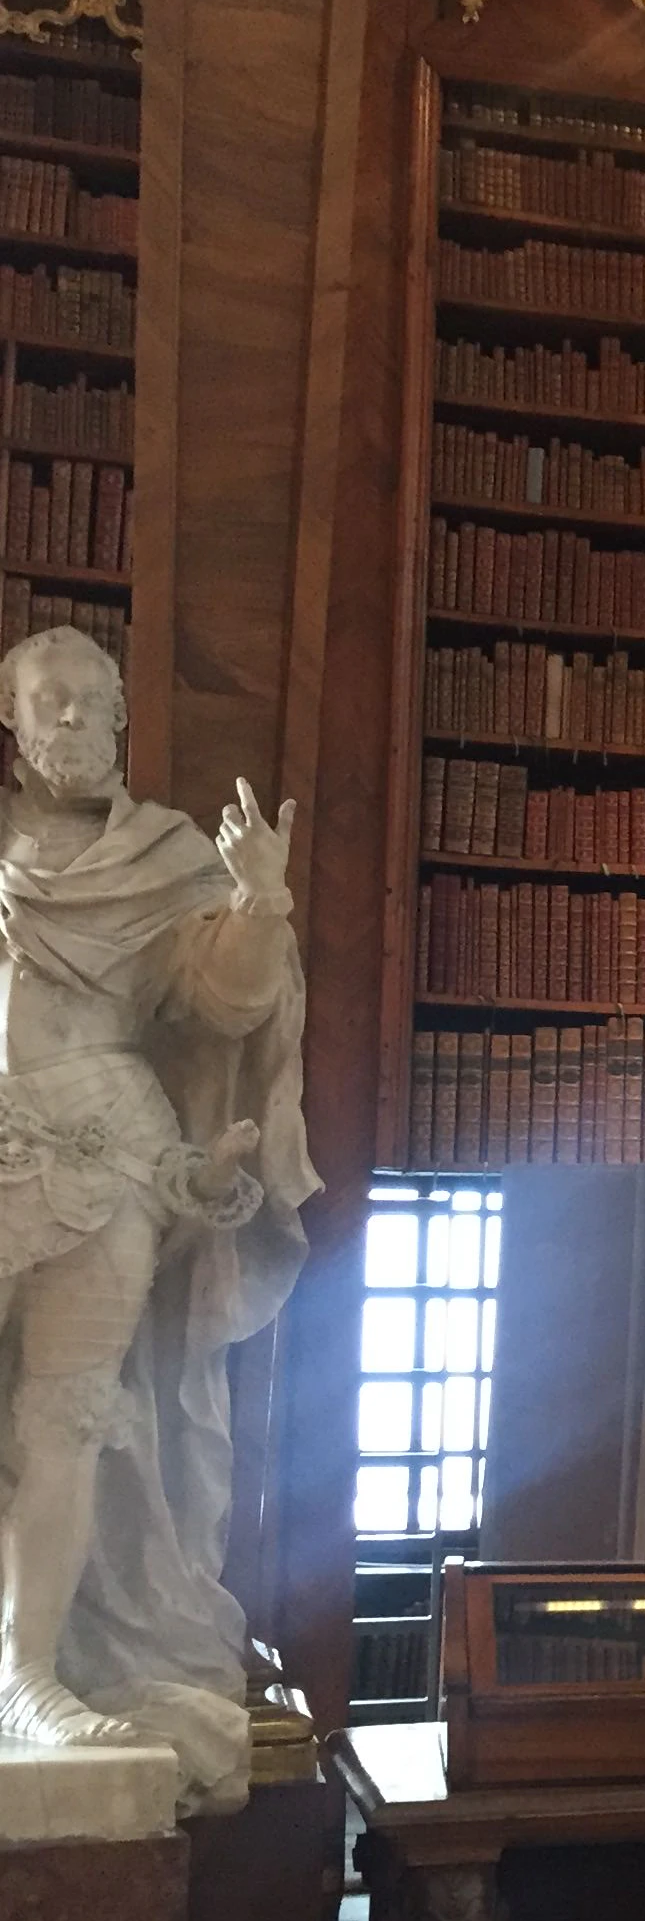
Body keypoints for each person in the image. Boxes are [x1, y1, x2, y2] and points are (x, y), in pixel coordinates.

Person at [0, 624, 316, 1801]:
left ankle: (31, 1672)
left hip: (111, 1157)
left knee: (68, 1419)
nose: (74, 722)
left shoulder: (168, 853)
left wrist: (258, 905)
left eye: (93, 703)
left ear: (125, 716)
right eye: (51, 703)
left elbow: (225, 1003)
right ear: (13, 720)